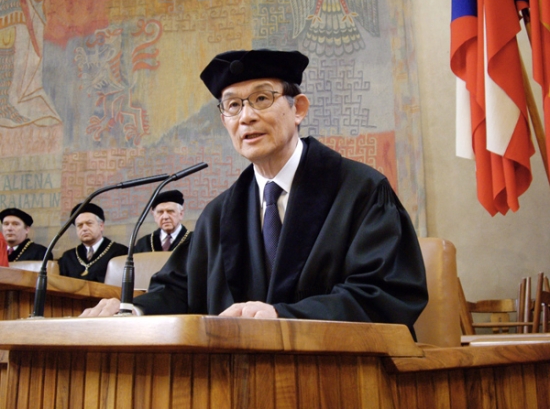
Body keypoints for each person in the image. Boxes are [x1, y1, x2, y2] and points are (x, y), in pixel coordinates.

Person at [81, 49, 428, 337]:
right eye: (232, 105)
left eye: (262, 98)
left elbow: (385, 294)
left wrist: (282, 317)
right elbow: (181, 292)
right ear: (224, 121)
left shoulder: (362, 191)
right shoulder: (220, 214)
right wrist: (133, 310)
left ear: (299, 109)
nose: (246, 116)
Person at [58, 203, 128, 282]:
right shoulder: (68, 257)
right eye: (80, 225)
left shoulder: (119, 252)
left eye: (89, 223)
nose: (84, 228)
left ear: (101, 226)